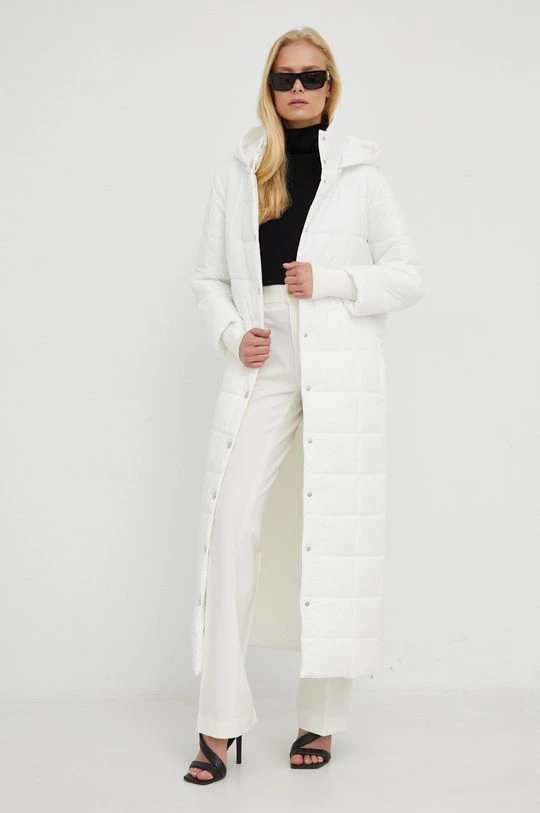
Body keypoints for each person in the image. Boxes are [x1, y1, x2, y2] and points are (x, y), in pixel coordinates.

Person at [185, 26, 425, 785]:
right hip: (265, 356)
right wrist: (234, 334)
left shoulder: (361, 176)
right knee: (231, 525)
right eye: (285, 77)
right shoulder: (241, 170)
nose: (297, 89)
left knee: (332, 528)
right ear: (270, 86)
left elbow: (406, 274)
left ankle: (319, 718)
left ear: (330, 87)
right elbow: (207, 279)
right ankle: (219, 720)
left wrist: (333, 281)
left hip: (338, 355)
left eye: (311, 77)